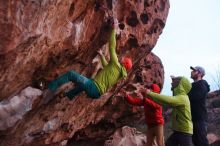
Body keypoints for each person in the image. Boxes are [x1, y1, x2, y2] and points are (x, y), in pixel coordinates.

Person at [44, 20, 132, 101]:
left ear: (124, 63)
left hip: (93, 87)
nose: (122, 59)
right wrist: (101, 55)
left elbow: (112, 47)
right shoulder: (119, 72)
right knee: (82, 85)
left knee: (71, 74)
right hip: (97, 93)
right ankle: (69, 95)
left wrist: (114, 29)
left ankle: (50, 87)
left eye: (124, 60)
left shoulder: (116, 64)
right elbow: (106, 66)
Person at [142, 76, 193, 146]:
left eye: (174, 82)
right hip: (178, 130)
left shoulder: (183, 98)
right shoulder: (179, 97)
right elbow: (163, 103)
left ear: (180, 85)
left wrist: (150, 93)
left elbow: (169, 101)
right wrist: (149, 96)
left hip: (184, 131)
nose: (171, 83)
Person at [188, 66, 210, 146]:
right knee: (196, 142)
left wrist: (185, 96)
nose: (192, 72)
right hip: (191, 118)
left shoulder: (202, 84)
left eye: (194, 71)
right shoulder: (190, 85)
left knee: (202, 142)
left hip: (199, 118)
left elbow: (195, 97)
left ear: (200, 73)